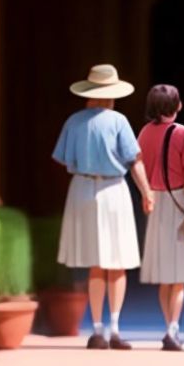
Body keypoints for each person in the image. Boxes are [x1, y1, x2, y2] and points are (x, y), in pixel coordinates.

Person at [53, 63, 153, 351]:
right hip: (113, 189)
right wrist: (147, 191)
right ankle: (115, 328)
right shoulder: (118, 121)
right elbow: (135, 160)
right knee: (117, 262)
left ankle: (96, 329)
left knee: (96, 264)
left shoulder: (74, 121)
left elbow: (62, 159)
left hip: (82, 189)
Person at [138, 84, 184, 350]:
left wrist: (145, 193)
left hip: (155, 202)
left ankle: (168, 326)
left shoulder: (143, 133)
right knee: (179, 275)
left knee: (165, 274)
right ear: (177, 106)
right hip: (178, 203)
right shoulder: (182, 133)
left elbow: (137, 164)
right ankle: (174, 327)